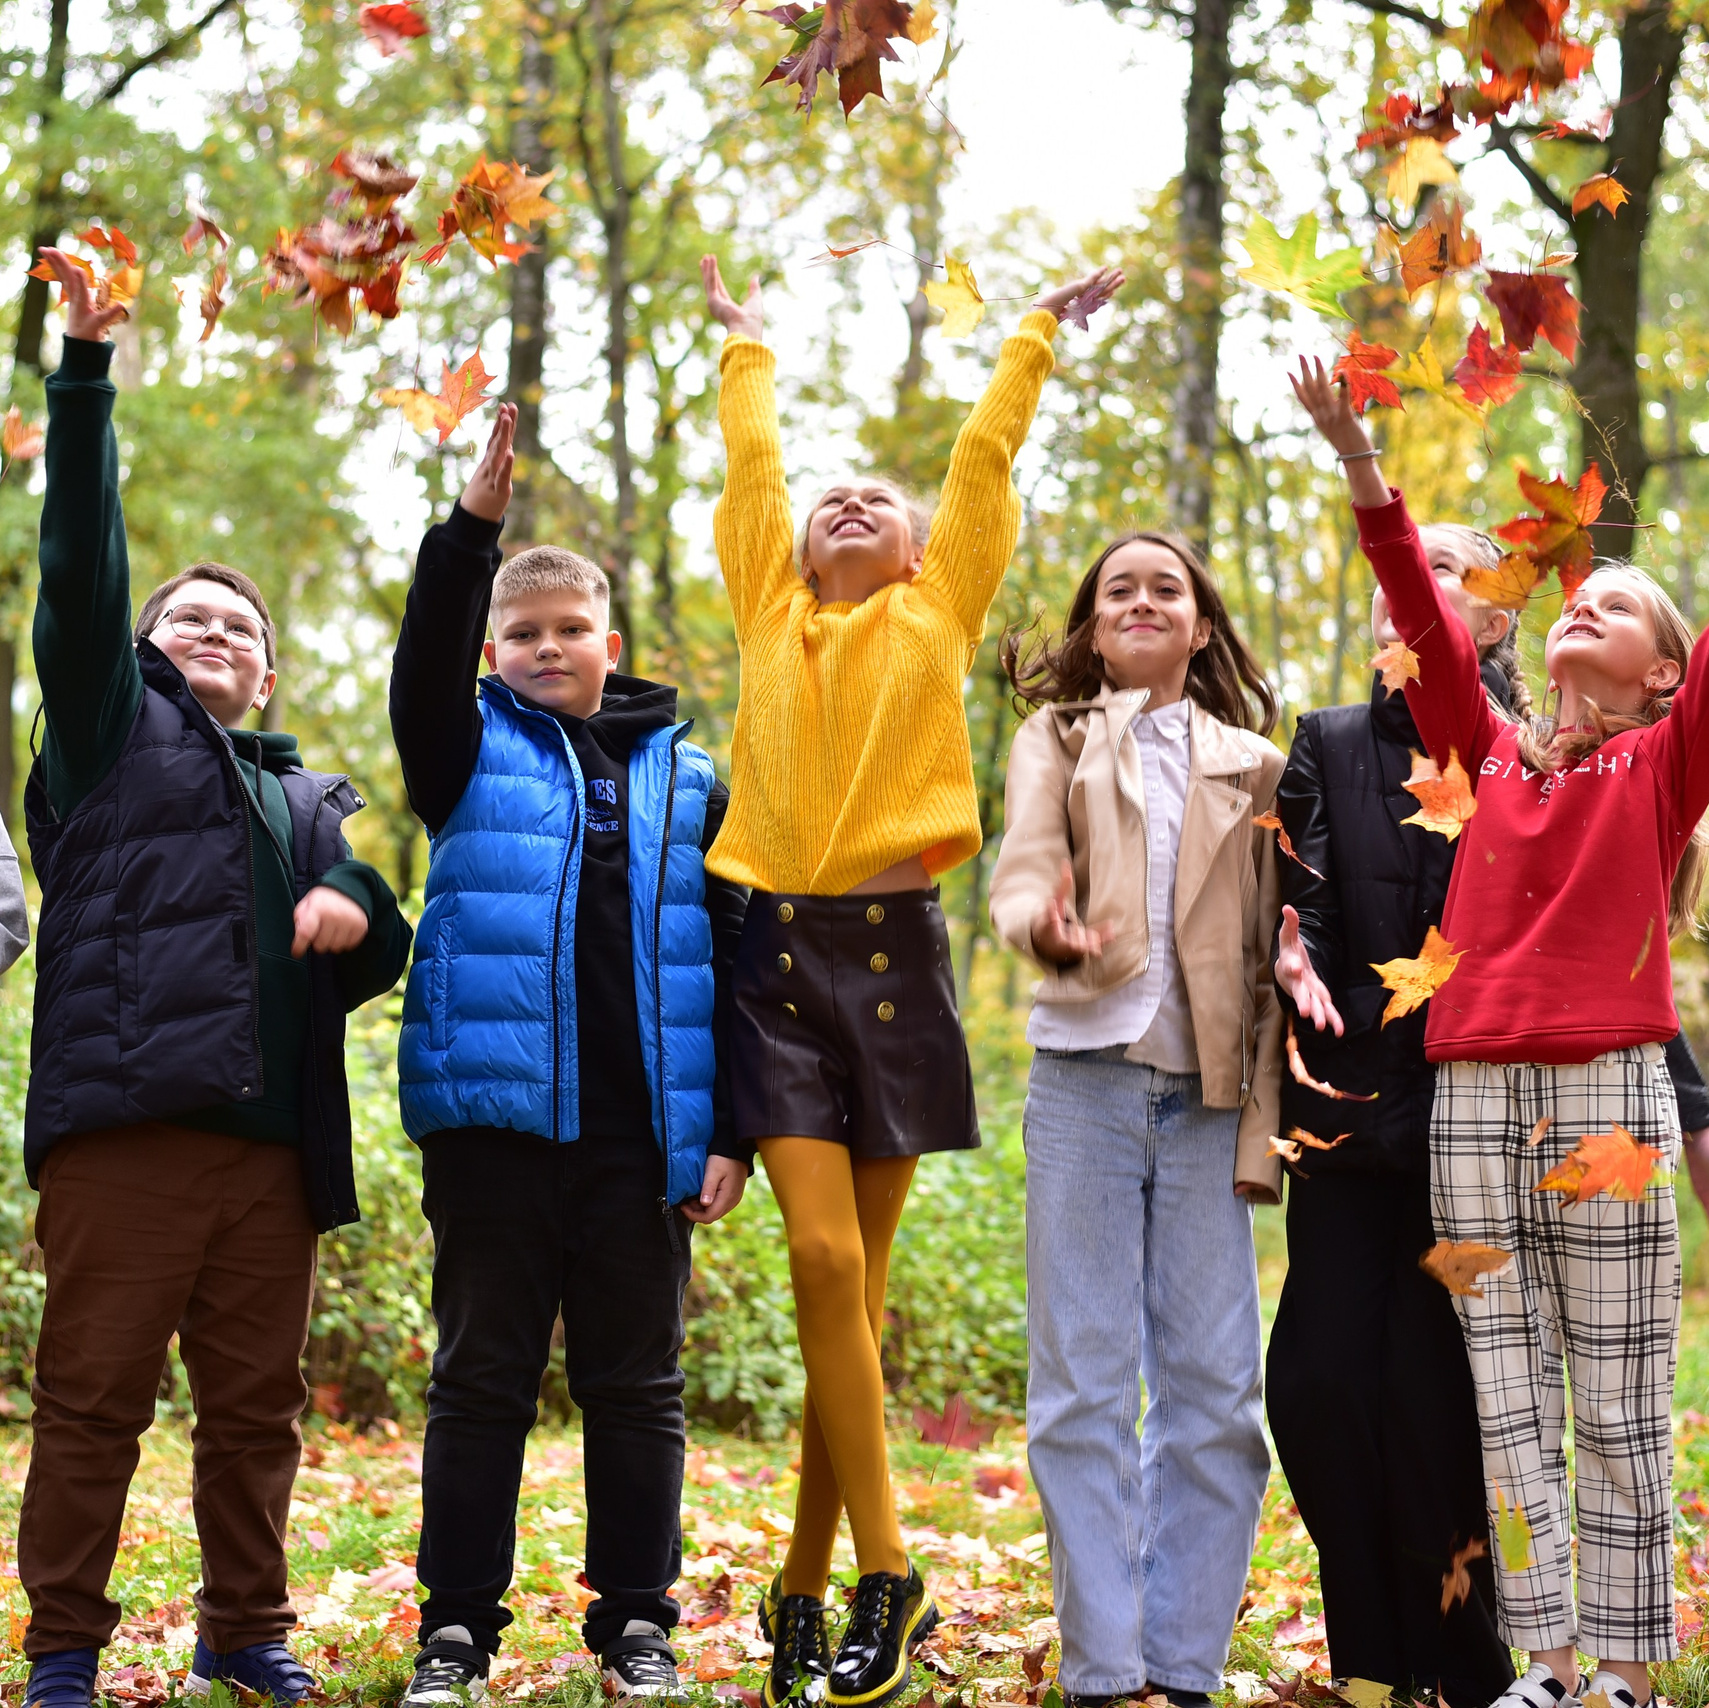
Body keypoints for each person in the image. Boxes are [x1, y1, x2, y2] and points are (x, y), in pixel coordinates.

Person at [700, 251, 1123, 1708]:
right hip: (767, 961)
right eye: (835, 500)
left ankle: (804, 1594)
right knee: (819, 1266)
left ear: (920, 543)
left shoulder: (938, 611)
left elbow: (982, 461)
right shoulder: (767, 606)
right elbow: (756, 479)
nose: (851, 503)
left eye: (881, 499)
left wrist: (1033, 341)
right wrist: (747, 354)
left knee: (856, 1309)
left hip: (892, 964)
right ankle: (891, 1566)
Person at [19, 250, 412, 1708]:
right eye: (189, 620)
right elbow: (77, 568)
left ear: (270, 675)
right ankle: (63, 1649)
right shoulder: (112, 738)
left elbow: (381, 944)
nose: (215, 638)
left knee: (254, 1416)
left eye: (239, 630)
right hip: (126, 1131)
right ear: (140, 652)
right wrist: (84, 377)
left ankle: (247, 1634)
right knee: (93, 1408)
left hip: (272, 1162)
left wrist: (357, 900)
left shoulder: (307, 800)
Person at [1294, 352, 1709, 1708]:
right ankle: (1545, 1665)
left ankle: (1632, 1675)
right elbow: (1418, 607)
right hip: (1470, 1105)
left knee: (1620, 1394)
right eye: (1571, 597)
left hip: (1608, 1107)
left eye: (1615, 607)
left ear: (1659, 678)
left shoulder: (1659, 767)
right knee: (1505, 1402)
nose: (1579, 605)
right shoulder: (1478, 753)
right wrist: (1362, 466)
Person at [388, 404, 748, 1707]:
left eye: (568, 631)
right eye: (522, 635)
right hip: (493, 1123)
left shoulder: (693, 780)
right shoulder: (463, 751)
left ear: (611, 643)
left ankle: (636, 1620)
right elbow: (423, 665)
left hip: (641, 1138)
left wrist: (731, 1132)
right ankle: (455, 1628)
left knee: (635, 1384)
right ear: (499, 649)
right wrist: (468, 536)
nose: (547, 648)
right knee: (480, 1379)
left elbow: (736, 961)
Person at [988, 532, 1283, 1708]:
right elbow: (1019, 869)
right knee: (1081, 1385)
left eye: (1168, 587)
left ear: (1200, 625)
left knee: (1216, 1392)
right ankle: (1104, 1671)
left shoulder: (1257, 763)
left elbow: (1281, 937)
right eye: (1122, 590)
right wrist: (1040, 925)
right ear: (1093, 626)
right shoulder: (1054, 739)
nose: (1145, 600)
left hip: (1212, 1099)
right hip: (1084, 1090)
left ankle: (1182, 1662)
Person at [1267, 527, 1527, 1708]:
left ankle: (1460, 1667)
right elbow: (1303, 893)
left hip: (1475, 1136)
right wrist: (1295, 961)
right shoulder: (1320, 741)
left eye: (1436, 588)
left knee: (1433, 1408)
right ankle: (1366, 1658)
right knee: (1318, 1385)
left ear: (1492, 622)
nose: (1401, 607)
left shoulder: (1526, 757)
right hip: (1343, 1117)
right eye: (1393, 588)